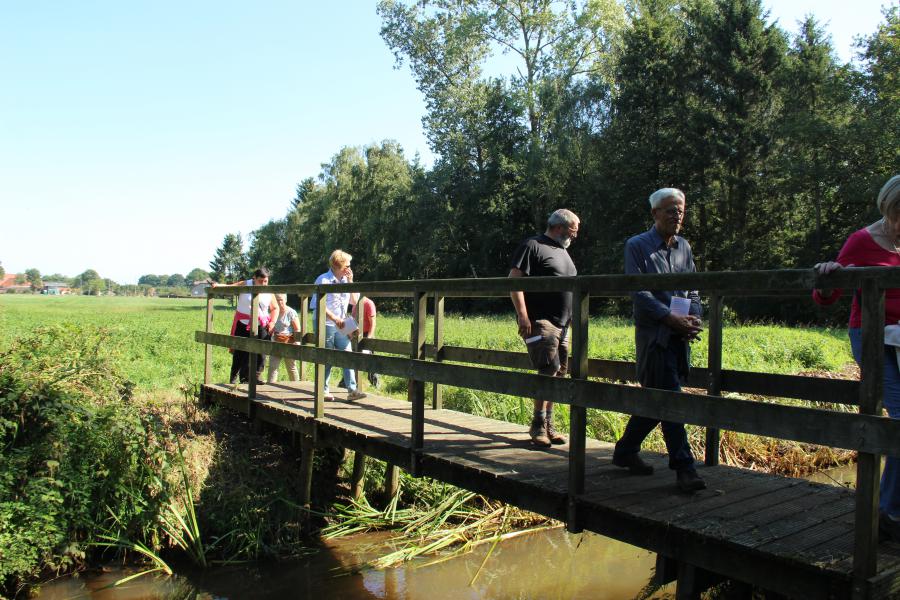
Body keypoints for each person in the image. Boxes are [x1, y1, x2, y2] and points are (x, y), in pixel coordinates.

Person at [814, 174, 900, 540]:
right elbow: (826, 298)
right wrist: (828, 276)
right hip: (871, 335)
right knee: (899, 419)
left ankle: (891, 508)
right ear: (889, 209)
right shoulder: (862, 241)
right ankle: (886, 514)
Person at [612, 188, 706, 493]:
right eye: (669, 210)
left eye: (680, 210)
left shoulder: (684, 247)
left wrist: (695, 316)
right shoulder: (637, 246)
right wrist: (669, 318)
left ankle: (626, 450)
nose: (676, 215)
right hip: (655, 337)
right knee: (670, 398)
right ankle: (684, 468)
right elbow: (638, 292)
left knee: (658, 396)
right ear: (655, 214)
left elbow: (693, 289)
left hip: (680, 335)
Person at [509, 208, 579, 448]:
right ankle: (537, 425)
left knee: (560, 373)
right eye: (573, 230)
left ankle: (548, 424)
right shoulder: (533, 245)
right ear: (559, 226)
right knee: (549, 368)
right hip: (541, 321)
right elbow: (514, 280)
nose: (575, 235)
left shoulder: (563, 252)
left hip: (564, 324)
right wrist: (523, 315)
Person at [314, 250, 367, 401]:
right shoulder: (323, 280)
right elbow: (319, 305)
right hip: (325, 322)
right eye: (347, 265)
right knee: (327, 356)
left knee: (347, 354)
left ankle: (352, 390)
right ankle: (323, 390)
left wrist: (350, 282)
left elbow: (355, 301)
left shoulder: (345, 280)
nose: (349, 268)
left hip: (341, 324)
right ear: (338, 265)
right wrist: (334, 318)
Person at [211, 268, 277, 384]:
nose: (263, 284)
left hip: (261, 324)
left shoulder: (269, 291)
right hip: (244, 323)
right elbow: (231, 287)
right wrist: (218, 285)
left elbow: (275, 308)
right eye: (261, 281)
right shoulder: (246, 284)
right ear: (254, 278)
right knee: (240, 352)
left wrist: (272, 322)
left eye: (266, 281)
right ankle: (234, 379)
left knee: (261, 352)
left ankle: (255, 377)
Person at [267, 293, 302, 383]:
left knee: (291, 367)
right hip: (275, 343)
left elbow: (297, 328)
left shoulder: (291, 312)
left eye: (281, 300)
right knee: (273, 367)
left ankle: (296, 386)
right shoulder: (273, 311)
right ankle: (270, 387)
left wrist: (297, 342)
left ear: (285, 300)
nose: (279, 302)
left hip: (288, 343)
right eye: (277, 300)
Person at [352, 296, 380, 387]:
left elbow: (373, 323)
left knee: (370, 362)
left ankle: (375, 384)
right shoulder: (354, 304)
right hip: (356, 335)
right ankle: (347, 382)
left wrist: (368, 339)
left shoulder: (368, 303)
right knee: (352, 359)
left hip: (367, 334)